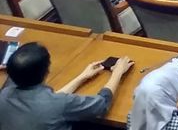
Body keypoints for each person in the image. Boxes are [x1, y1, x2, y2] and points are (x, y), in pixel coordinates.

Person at [0, 42, 133, 130]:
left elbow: (49, 101)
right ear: (47, 71)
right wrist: (117, 73)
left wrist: (81, 77)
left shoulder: (4, 94)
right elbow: (102, 104)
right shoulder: (59, 104)